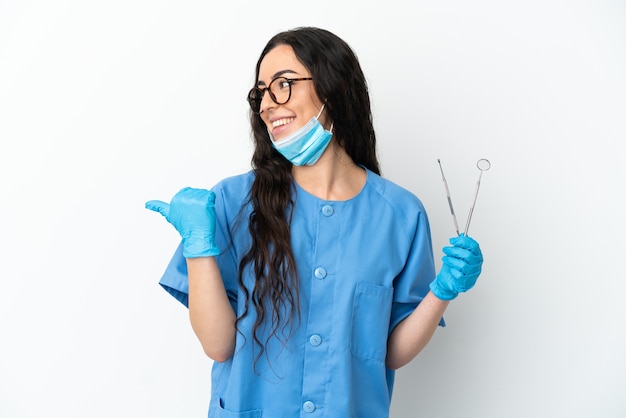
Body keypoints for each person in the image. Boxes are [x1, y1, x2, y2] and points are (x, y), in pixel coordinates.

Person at [146, 26, 483, 418]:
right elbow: (218, 345)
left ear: (333, 88)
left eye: (283, 84)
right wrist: (197, 248)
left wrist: (442, 291)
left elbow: (389, 354)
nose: (268, 104)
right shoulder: (231, 202)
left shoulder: (400, 215)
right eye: (261, 92)